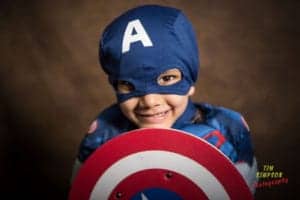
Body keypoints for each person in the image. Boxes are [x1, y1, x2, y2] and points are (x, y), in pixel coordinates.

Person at [71, 4, 257, 193]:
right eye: (128, 84)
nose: (150, 102)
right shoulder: (102, 135)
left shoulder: (227, 132)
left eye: (167, 79)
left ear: (190, 80)